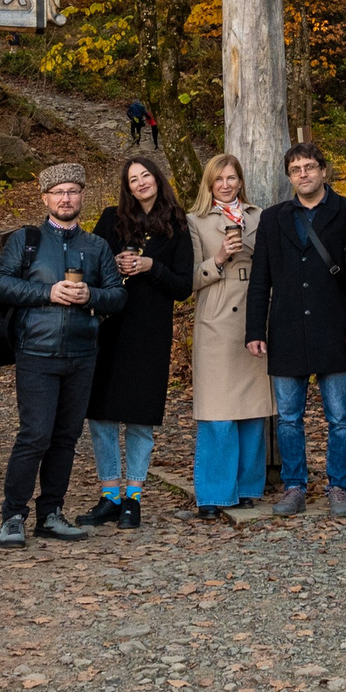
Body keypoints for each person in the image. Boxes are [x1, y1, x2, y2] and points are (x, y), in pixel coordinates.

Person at [0, 163, 128, 548]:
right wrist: (47, 293)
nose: (66, 199)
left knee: (66, 438)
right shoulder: (27, 240)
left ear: (82, 196)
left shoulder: (96, 246)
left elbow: (118, 296)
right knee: (35, 435)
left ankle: (50, 513)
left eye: (72, 191)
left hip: (82, 354)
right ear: (45, 198)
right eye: (58, 192)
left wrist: (91, 295)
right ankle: (13, 516)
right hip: (36, 350)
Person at [245, 142, 346, 519]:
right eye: (296, 169)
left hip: (336, 327)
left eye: (310, 167)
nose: (304, 174)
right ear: (289, 177)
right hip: (287, 328)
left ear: (323, 170)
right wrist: (255, 329)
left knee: (340, 418)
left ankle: (338, 486)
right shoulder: (273, 218)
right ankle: (294, 485)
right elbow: (260, 279)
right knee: (289, 418)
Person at [78, 157, 196, 531]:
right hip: (109, 327)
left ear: (158, 179)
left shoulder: (178, 225)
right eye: (133, 179)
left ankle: (133, 498)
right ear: (126, 187)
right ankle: (109, 496)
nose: (141, 182)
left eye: (146, 175)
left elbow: (184, 286)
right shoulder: (111, 219)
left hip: (150, 330)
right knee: (101, 414)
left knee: (141, 417)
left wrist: (151, 267)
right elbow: (87, 265)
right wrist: (112, 263)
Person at [187, 154, 276, 517]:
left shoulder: (259, 216)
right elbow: (188, 278)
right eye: (219, 179)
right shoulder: (195, 220)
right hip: (217, 319)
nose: (226, 185)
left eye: (232, 178)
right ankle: (213, 493)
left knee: (253, 410)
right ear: (209, 184)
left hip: (256, 316)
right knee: (218, 412)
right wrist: (219, 258)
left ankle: (248, 486)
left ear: (241, 181)